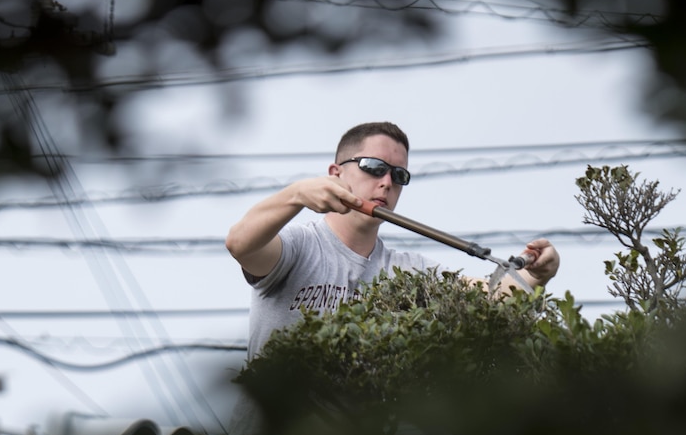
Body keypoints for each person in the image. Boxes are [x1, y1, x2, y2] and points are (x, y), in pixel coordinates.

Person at [225, 120, 561, 359]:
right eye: (373, 167)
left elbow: (488, 295)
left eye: (399, 175)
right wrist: (296, 194)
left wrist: (535, 274)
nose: (386, 182)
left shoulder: (406, 271)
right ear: (336, 173)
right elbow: (241, 244)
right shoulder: (299, 246)